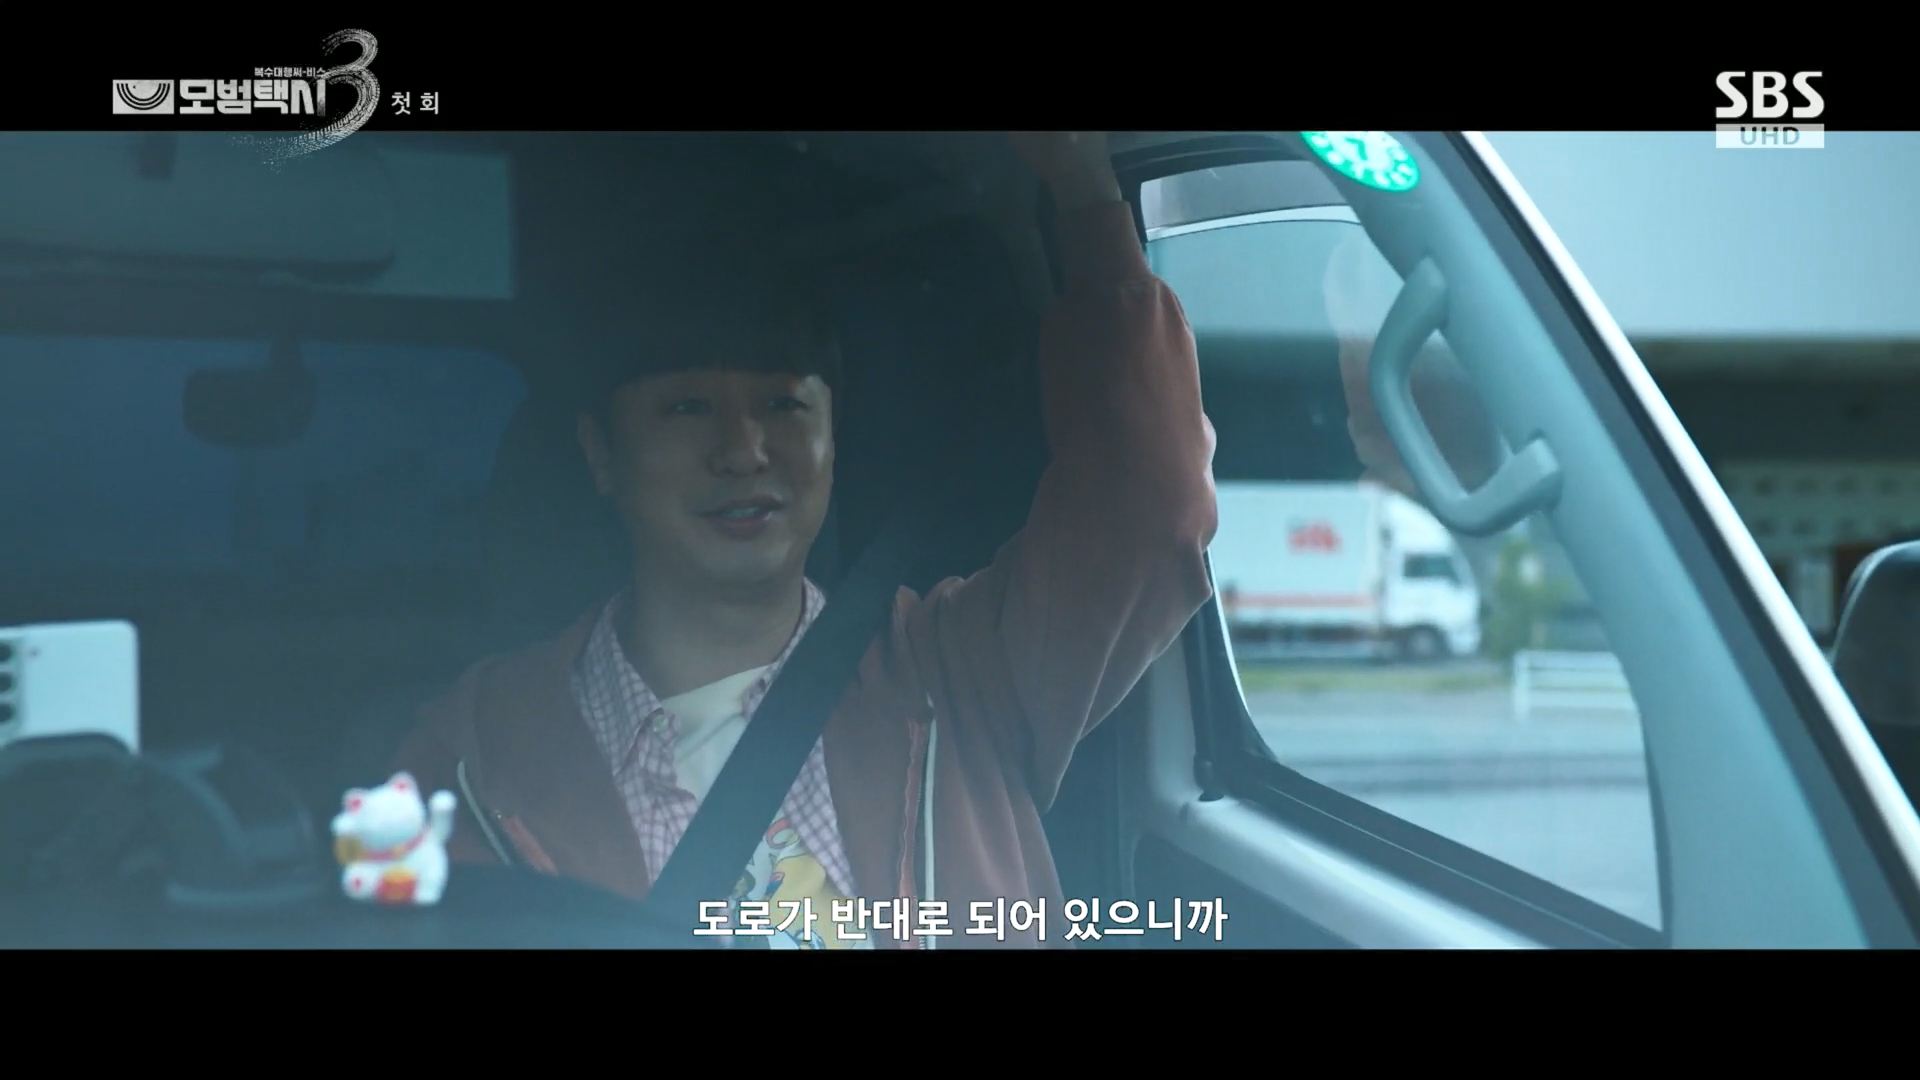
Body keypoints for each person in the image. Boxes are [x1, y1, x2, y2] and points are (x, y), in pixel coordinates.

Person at [389, 131, 1220, 948]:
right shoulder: (474, 753)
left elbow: (1152, 503)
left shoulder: (961, 670)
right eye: (686, 407)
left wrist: (1084, 190)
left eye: (783, 405)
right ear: (601, 453)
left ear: (832, 439)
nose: (743, 451)